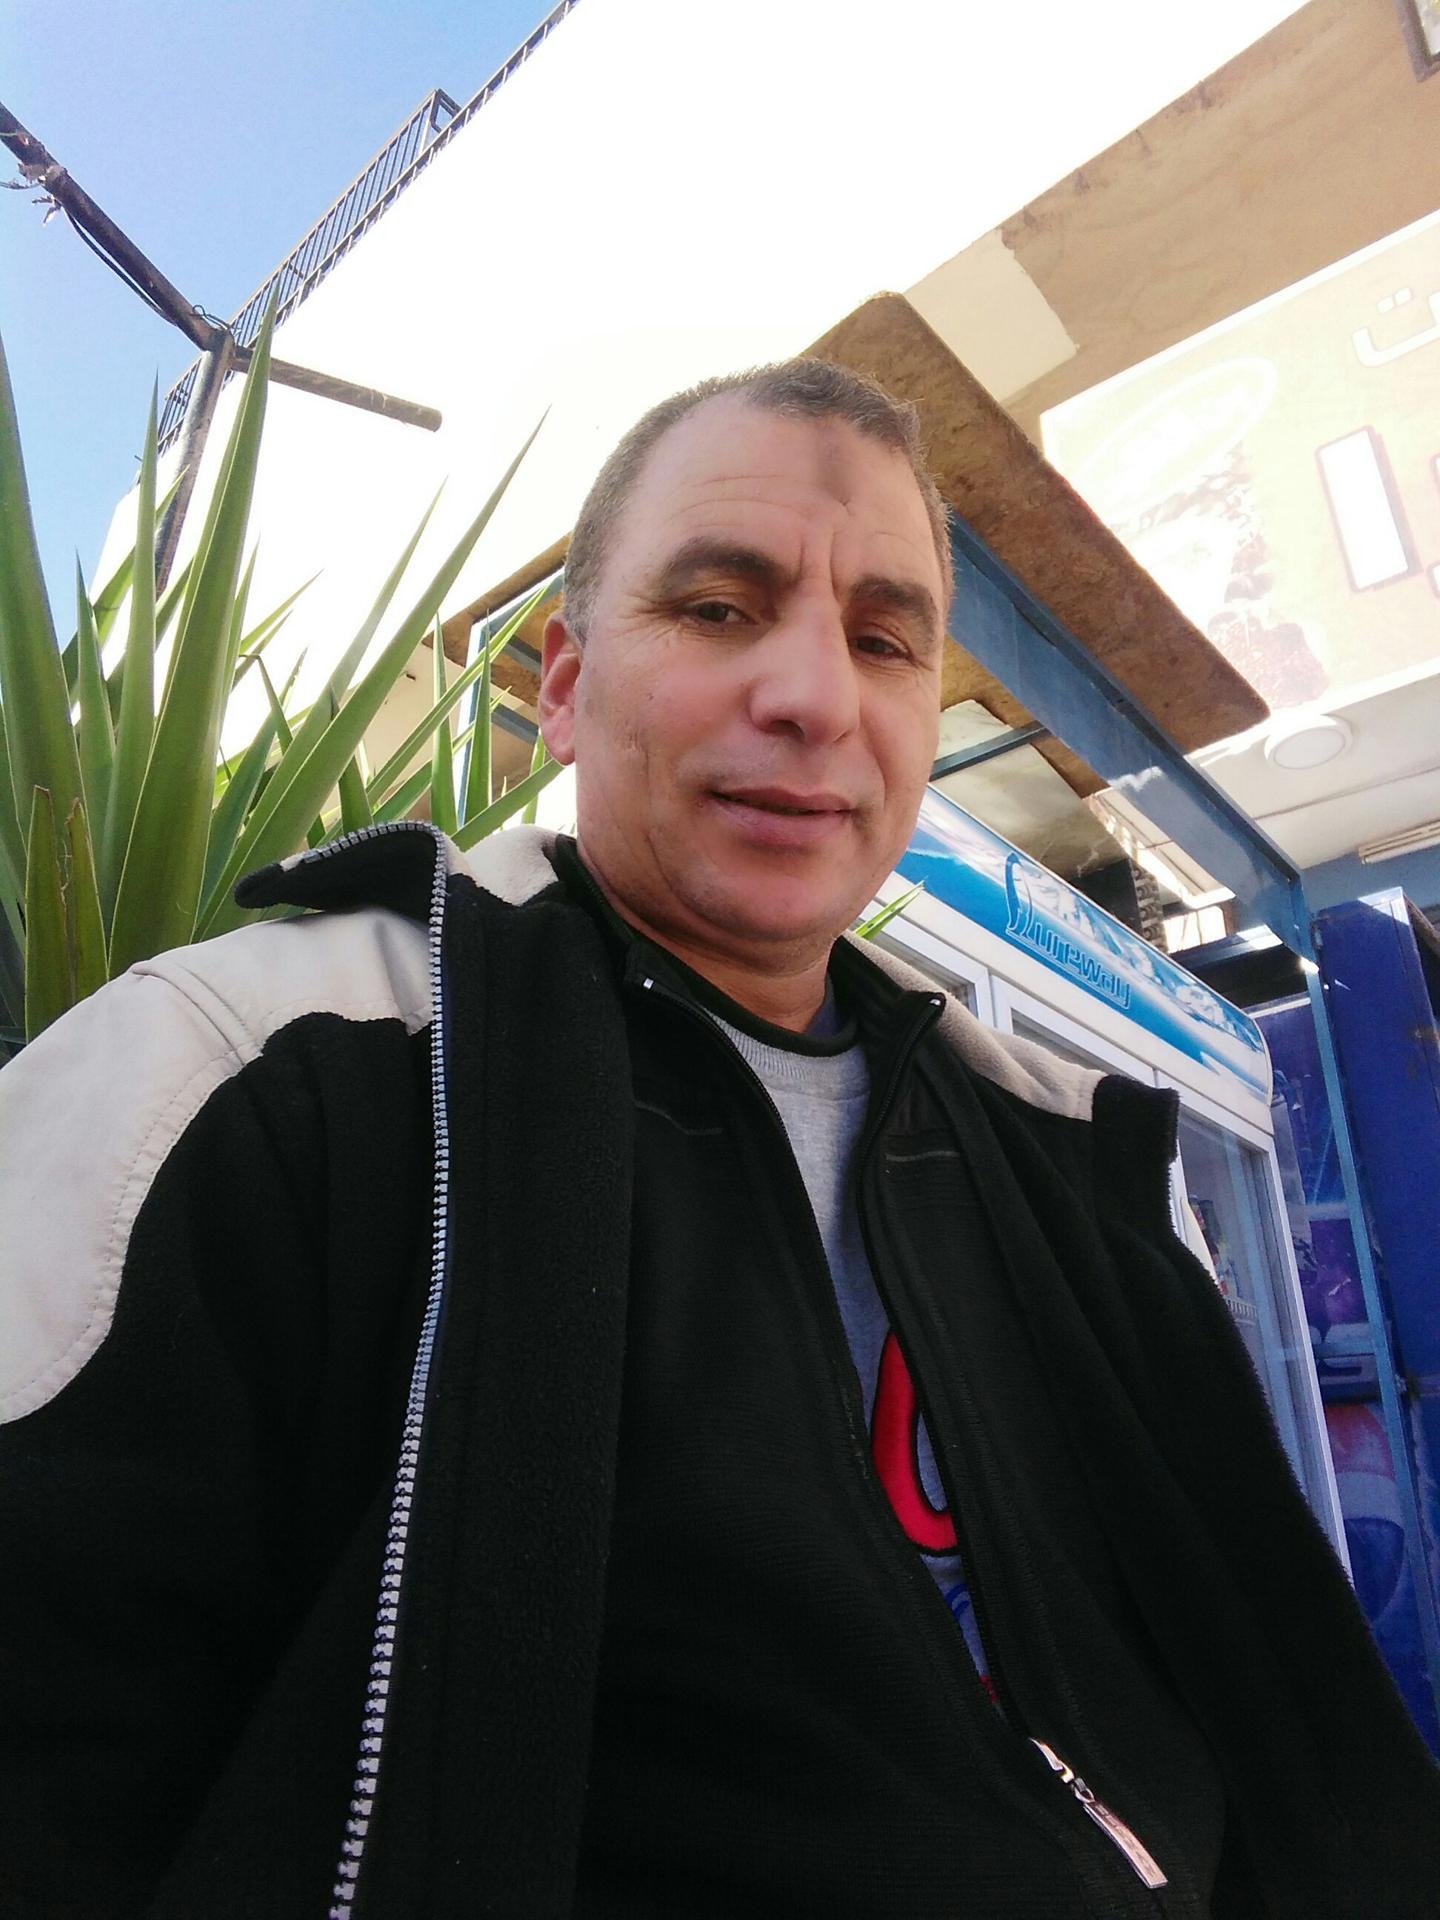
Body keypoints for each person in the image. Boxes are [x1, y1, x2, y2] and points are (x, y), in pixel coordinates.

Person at [2, 360, 1437, 1920]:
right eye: (717, 608)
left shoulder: (1080, 1168)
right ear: (563, 688)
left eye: (883, 640)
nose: (816, 696)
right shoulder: (241, 1083)